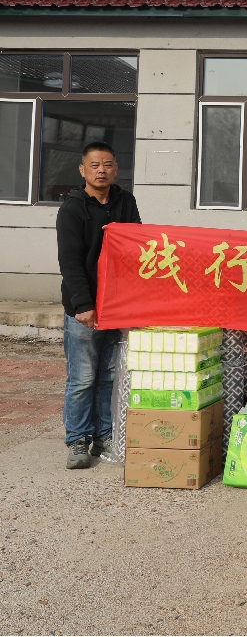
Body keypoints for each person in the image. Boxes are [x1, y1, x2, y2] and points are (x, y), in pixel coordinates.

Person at [56, 141, 142, 469]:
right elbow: (70, 262)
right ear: (82, 170)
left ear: (116, 169)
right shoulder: (72, 209)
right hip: (85, 307)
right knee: (82, 378)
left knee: (109, 375)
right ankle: (77, 439)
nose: (101, 171)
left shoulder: (125, 201)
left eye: (107, 164)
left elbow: (137, 246)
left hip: (116, 305)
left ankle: (104, 435)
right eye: (94, 165)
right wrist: (82, 304)